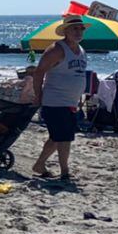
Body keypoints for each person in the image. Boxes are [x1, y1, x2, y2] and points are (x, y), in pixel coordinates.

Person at [30, 14, 88, 179]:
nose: (78, 32)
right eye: (74, 28)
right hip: (55, 101)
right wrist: (38, 95)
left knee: (57, 137)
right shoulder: (56, 49)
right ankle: (65, 172)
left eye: (81, 28)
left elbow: (78, 74)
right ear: (66, 31)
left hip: (71, 101)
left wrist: (80, 96)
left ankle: (39, 164)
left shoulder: (81, 50)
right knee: (64, 138)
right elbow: (39, 72)